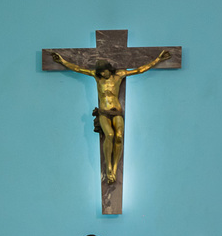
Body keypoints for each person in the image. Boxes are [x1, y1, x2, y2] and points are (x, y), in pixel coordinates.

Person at [50, 51, 171, 185]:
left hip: (116, 112)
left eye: (105, 72)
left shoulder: (119, 75)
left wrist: (158, 59)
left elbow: (140, 70)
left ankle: (114, 168)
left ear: (109, 69)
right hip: (103, 112)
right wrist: (62, 61)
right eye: (101, 73)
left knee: (119, 136)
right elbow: (78, 69)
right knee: (109, 135)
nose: (103, 74)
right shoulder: (97, 78)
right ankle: (108, 169)